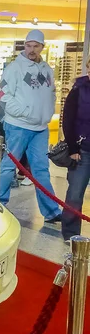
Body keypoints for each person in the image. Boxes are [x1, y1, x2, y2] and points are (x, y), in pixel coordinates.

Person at [0, 29, 61, 223]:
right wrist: (24, 112)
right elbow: (3, 96)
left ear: (42, 47)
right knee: (9, 166)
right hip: (18, 125)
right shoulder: (14, 68)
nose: (32, 49)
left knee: (41, 169)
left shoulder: (47, 69)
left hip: (40, 128)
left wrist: (46, 113)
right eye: (28, 45)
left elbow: (51, 93)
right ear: (24, 45)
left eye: (36, 46)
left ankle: (51, 211)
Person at [61, 56, 90, 242]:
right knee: (75, 193)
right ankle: (71, 233)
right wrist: (73, 148)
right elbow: (68, 119)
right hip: (83, 150)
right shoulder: (79, 90)